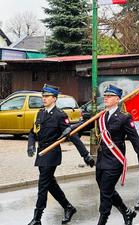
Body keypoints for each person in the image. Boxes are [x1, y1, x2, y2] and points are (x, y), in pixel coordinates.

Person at [27, 84, 95, 225]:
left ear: (54, 98)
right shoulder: (40, 113)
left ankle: (37, 218)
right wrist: (31, 145)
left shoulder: (60, 115)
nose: (44, 99)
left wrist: (85, 154)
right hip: (41, 153)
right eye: (43, 96)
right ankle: (68, 207)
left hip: (52, 154)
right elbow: (32, 132)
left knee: (43, 185)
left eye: (47, 96)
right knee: (50, 184)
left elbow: (72, 135)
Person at [96, 84, 139, 225]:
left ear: (117, 99)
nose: (106, 98)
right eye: (105, 96)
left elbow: (135, 140)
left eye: (109, 96)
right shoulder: (101, 116)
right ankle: (127, 212)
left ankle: (102, 220)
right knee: (107, 189)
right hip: (101, 160)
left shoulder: (124, 118)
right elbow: (84, 125)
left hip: (115, 161)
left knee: (105, 192)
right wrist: (69, 129)